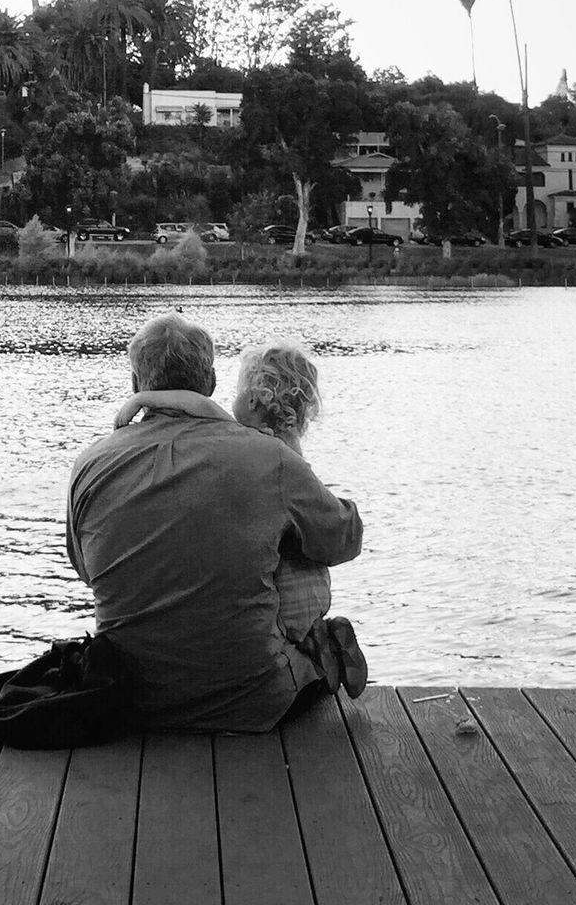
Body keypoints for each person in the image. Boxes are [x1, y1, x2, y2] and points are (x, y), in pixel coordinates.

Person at [67, 313, 364, 733]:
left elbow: (86, 570)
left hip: (131, 699)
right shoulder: (267, 457)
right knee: (291, 544)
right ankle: (317, 643)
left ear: (136, 385)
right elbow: (343, 540)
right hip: (254, 702)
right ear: (209, 381)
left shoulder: (90, 464)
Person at [114, 339, 347, 662]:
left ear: (252, 399)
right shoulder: (284, 451)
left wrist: (143, 398)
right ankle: (318, 643)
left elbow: (201, 408)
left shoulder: (256, 449)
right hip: (310, 596)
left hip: (280, 607)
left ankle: (315, 650)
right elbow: (333, 531)